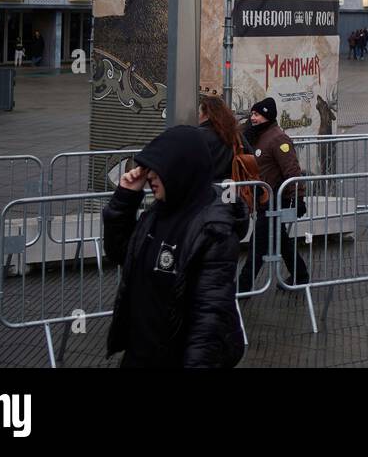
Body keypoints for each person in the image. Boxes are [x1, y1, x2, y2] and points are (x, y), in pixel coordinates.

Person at [104, 125, 246, 368]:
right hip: (140, 354)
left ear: (180, 169)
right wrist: (125, 199)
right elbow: (121, 253)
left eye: (157, 169)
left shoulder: (213, 230)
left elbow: (209, 316)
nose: (149, 175)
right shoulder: (156, 213)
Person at [237, 97, 309, 290]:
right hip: (264, 198)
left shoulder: (277, 138)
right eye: (252, 114)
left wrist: (298, 197)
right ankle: (301, 277)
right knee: (280, 239)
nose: (253, 118)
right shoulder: (257, 135)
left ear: (267, 116)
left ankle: (243, 287)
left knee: (258, 243)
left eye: (257, 114)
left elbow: (291, 170)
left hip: (276, 200)